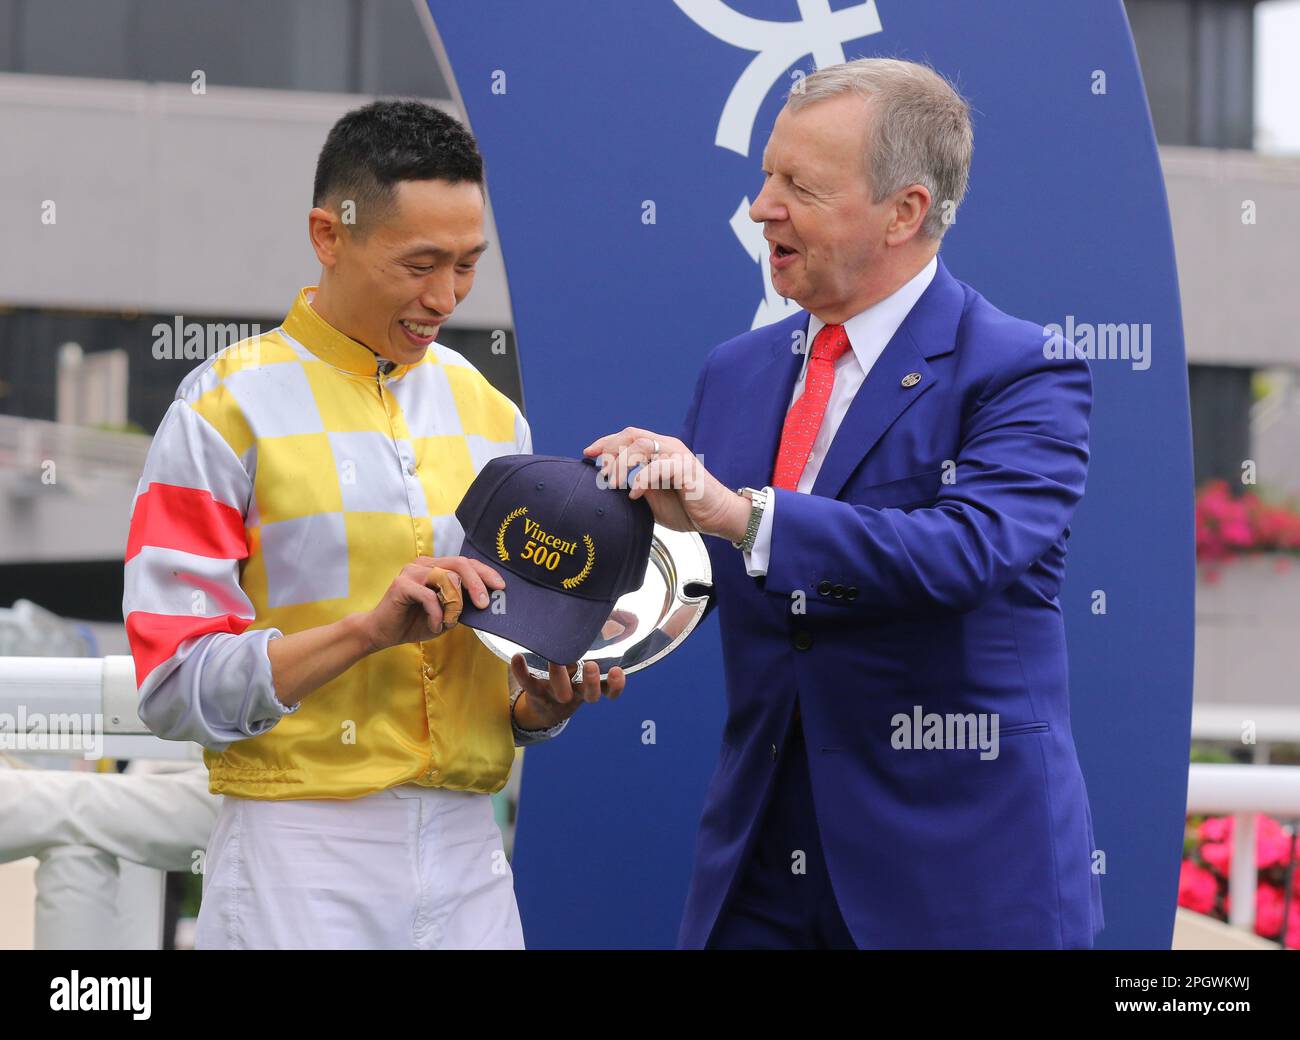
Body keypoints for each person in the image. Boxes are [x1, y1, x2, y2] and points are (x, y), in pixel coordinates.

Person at [586, 58, 1103, 949]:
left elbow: (964, 553)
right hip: (757, 867)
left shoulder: (1022, 370)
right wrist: (584, 615)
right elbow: (704, 573)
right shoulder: (735, 370)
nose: (760, 207)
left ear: (905, 211)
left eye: (799, 186)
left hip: (956, 878)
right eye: (765, 176)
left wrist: (735, 512)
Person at [123, 99, 624, 950]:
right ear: (329, 233)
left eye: (467, 264)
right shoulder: (218, 410)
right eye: (419, 263)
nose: (445, 296)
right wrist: (364, 632)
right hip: (297, 846)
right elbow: (173, 687)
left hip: (471, 846)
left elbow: (503, 669)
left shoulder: (492, 415)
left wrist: (539, 703)